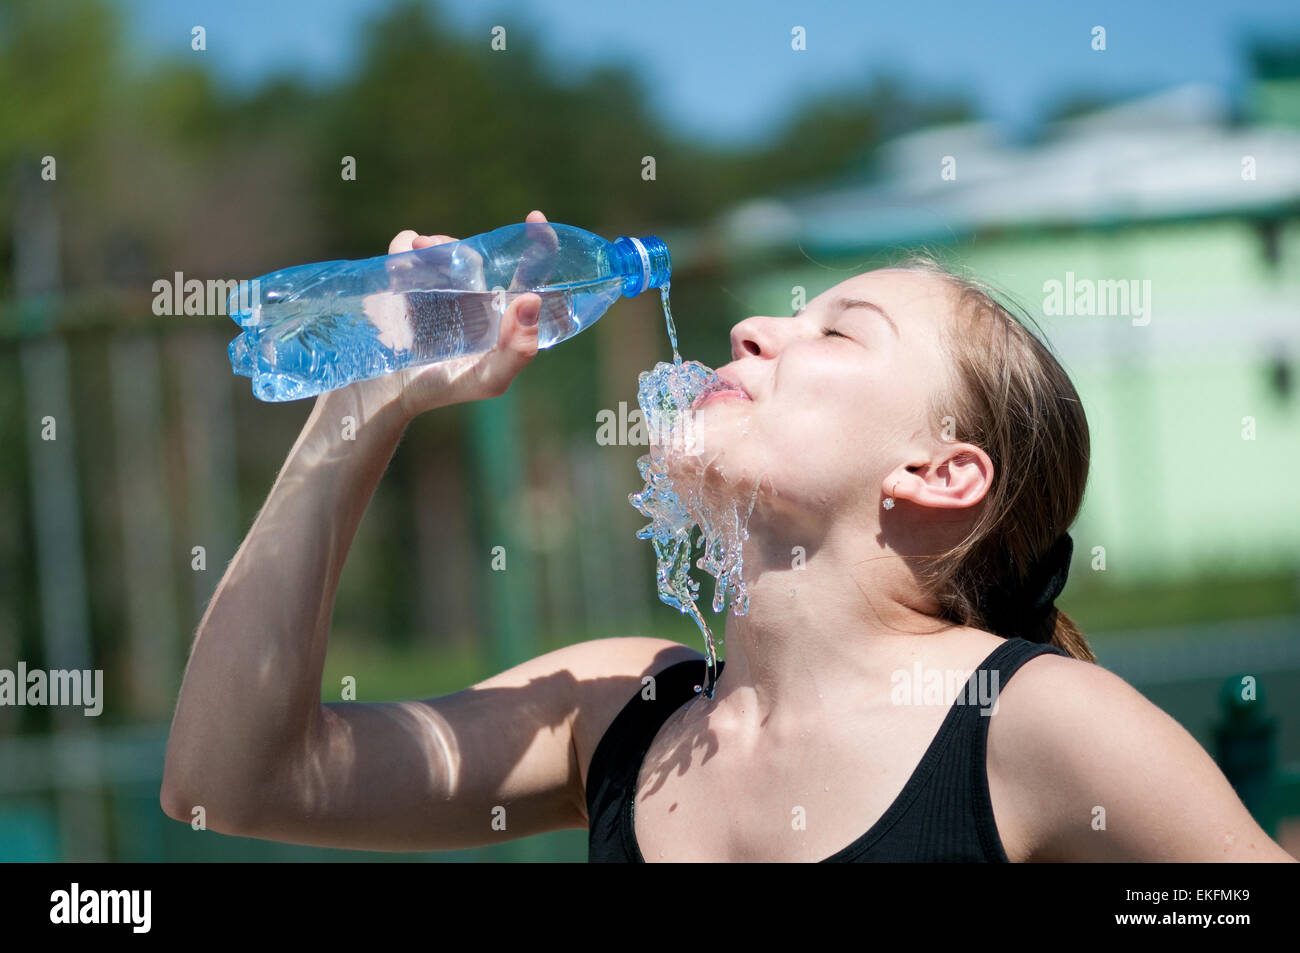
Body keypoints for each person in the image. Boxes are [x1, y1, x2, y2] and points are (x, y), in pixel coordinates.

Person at [161, 210, 1296, 862]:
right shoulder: (614, 712)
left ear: (940, 471)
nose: (751, 327)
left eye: (836, 331)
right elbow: (233, 777)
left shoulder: (1036, 723)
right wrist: (364, 401)